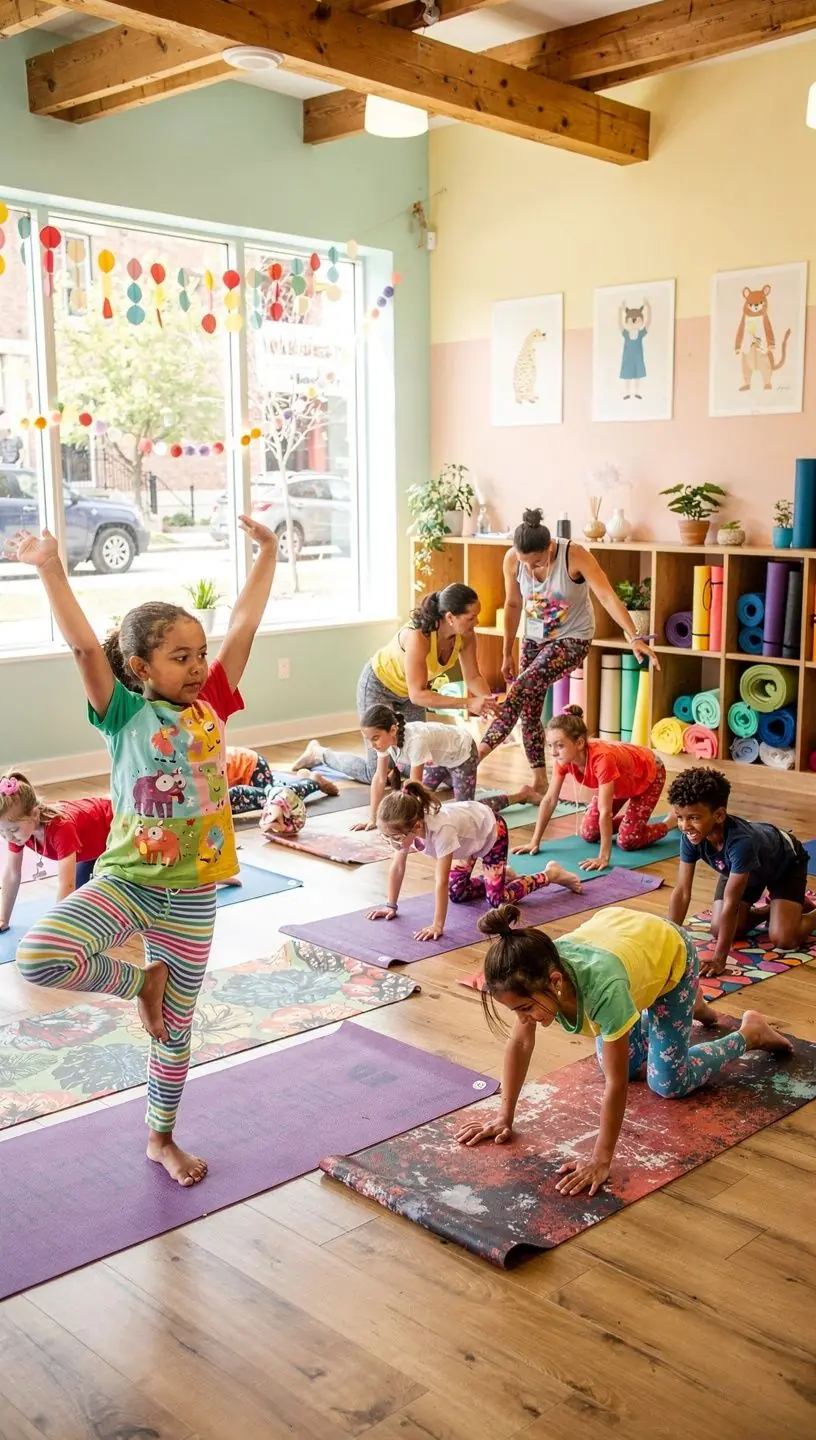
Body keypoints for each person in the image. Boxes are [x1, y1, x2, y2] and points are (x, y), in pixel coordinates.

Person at [7, 515, 278, 1186]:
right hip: (128, 881)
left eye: (199, 653)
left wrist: (268, 553)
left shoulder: (212, 704)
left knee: (175, 1031)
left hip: (193, 896)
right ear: (139, 667)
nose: (197, 666)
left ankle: (161, 1138)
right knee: (40, 955)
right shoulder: (124, 715)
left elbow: (244, 626)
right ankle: (142, 983)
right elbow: (82, 648)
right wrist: (50, 568)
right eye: (179, 657)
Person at [456, 903, 791, 1196]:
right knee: (623, 1064)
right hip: (628, 944)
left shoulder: (604, 989)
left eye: (526, 1009)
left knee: (668, 1083)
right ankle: (692, 1007)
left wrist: (600, 1161)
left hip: (669, 951)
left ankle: (749, 1032)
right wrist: (503, 1117)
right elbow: (520, 1042)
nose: (523, 1019)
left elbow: (615, 1086)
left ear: (556, 982)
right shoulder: (531, 968)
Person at [478, 509, 658, 791]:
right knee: (529, 709)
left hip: (573, 639)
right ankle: (539, 781)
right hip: (534, 638)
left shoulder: (574, 555)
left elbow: (607, 596)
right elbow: (512, 604)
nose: (530, 569)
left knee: (520, 688)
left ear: (550, 548)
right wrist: (505, 652)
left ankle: (476, 756)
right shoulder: (512, 559)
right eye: (525, 563)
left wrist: (634, 636)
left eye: (537, 562)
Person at [293, 584, 497, 784]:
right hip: (379, 687)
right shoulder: (419, 636)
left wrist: (490, 704)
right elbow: (418, 694)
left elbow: (473, 677)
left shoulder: (466, 636)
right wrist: (468, 703)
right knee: (375, 772)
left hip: (409, 696)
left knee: (418, 759)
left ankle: (396, 771)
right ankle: (318, 754)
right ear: (450, 617)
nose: (477, 621)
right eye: (471, 617)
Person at [366, 781, 581, 943]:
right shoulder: (409, 828)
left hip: (491, 832)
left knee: (497, 902)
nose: (392, 842)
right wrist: (390, 905)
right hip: (465, 841)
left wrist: (437, 925)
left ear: (416, 827)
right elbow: (398, 867)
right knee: (457, 894)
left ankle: (550, 874)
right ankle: (501, 875)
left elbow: (440, 880)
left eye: (395, 837)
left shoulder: (441, 831)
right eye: (387, 837)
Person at [667, 766, 816, 978]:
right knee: (719, 929)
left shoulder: (741, 843)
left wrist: (719, 959)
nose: (684, 826)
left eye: (693, 818)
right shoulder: (691, 837)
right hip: (741, 870)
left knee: (784, 938)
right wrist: (669, 942)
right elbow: (682, 891)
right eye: (680, 817)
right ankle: (773, 909)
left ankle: (798, 910)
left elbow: (732, 903)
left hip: (783, 864)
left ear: (719, 815)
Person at [514, 705, 676, 871]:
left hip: (648, 772)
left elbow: (605, 812)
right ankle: (631, 821)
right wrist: (534, 841)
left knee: (628, 840)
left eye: (559, 745)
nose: (553, 752)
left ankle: (670, 822)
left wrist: (603, 857)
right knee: (589, 832)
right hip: (619, 781)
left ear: (579, 743)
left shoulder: (602, 759)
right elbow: (549, 800)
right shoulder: (563, 760)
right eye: (550, 745)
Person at [0, 773, 113, 930]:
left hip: (115, 828)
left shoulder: (61, 828)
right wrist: (3, 918)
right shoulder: (17, 833)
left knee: (110, 896)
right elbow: (12, 874)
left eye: (13, 830)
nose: (8, 837)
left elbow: (66, 885)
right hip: (89, 848)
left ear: (34, 814)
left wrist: (55, 929)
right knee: (80, 902)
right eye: (1, 832)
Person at [351, 703, 480, 832]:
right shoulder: (382, 743)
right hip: (437, 760)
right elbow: (380, 778)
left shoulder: (416, 741)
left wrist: (404, 826)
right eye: (368, 739)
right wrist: (373, 819)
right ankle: (452, 780)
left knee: (465, 811)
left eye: (375, 738)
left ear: (393, 730)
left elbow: (414, 784)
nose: (372, 745)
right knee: (424, 797)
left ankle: (491, 801)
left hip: (462, 752)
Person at [225, 744, 338, 816]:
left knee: (276, 800)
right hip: (243, 765)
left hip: (252, 766)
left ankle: (313, 782)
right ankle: (301, 779)